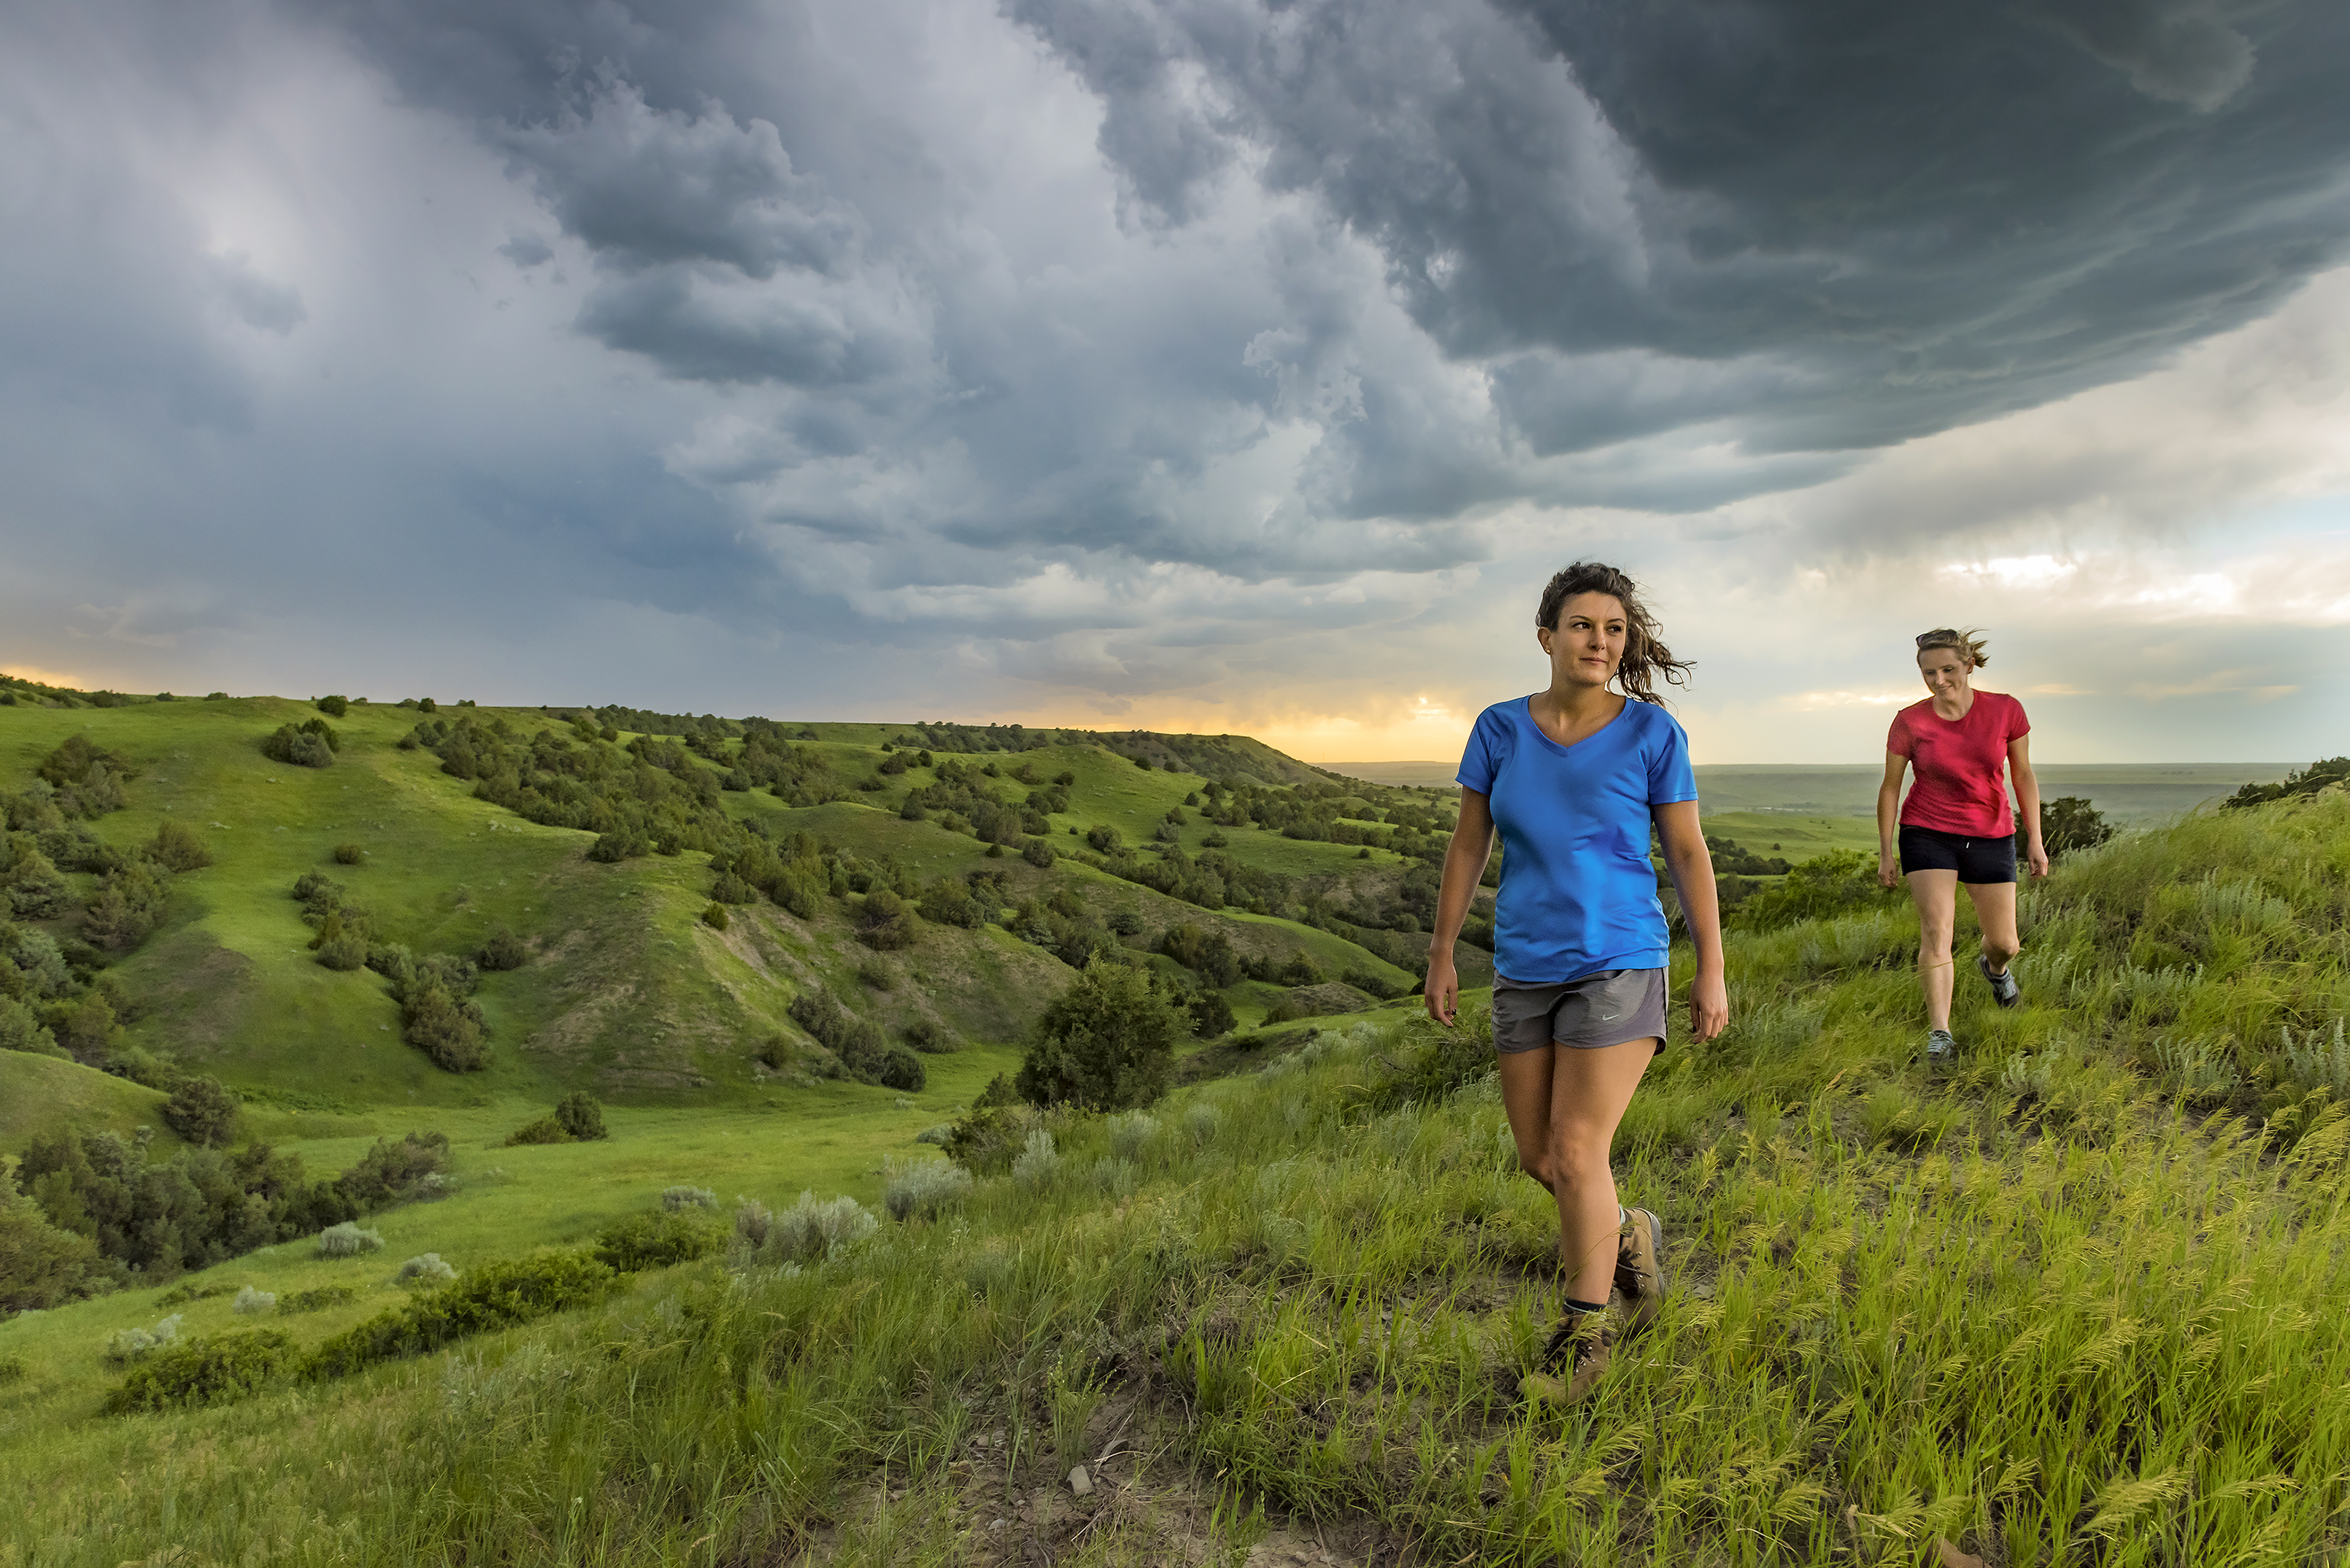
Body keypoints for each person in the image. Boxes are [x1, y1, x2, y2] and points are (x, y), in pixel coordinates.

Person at [1425, 562, 1728, 1407]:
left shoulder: (1650, 734)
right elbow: (1467, 846)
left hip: (1622, 957)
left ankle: (1585, 1336)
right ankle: (1629, 1234)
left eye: (1614, 629)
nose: (1599, 641)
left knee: (1574, 1149)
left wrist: (1711, 966)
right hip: (1524, 964)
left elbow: (1689, 853)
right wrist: (1445, 950)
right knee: (1538, 1158)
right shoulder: (1498, 729)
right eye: (1582, 625)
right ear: (1546, 635)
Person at [1876, 628, 2047, 1059]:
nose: (1939, 680)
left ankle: (1996, 970)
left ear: (1969, 665)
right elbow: (1891, 788)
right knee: (1937, 933)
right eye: (1929, 672)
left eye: (1948, 670)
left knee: (2005, 941)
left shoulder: (2006, 710)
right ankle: (1940, 1035)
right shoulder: (1909, 721)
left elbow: (2022, 775)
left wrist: (2036, 840)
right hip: (1927, 832)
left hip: (1992, 833)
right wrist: (1885, 850)